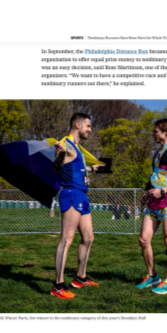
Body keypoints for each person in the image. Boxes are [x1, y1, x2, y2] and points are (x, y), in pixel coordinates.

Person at [49, 113, 104, 299]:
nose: (90, 129)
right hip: (71, 194)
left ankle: (80, 278)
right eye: (88, 126)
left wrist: (89, 170)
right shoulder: (64, 143)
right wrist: (60, 153)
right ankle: (58, 285)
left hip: (82, 195)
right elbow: (57, 167)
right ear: (78, 125)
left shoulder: (78, 148)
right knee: (66, 239)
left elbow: (74, 166)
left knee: (88, 238)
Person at [136, 118, 167, 295]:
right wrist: (148, 191)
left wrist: (163, 191)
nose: (153, 133)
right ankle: (152, 276)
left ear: (166, 132)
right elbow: (157, 176)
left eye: (155, 131)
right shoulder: (157, 152)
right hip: (153, 201)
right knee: (143, 239)